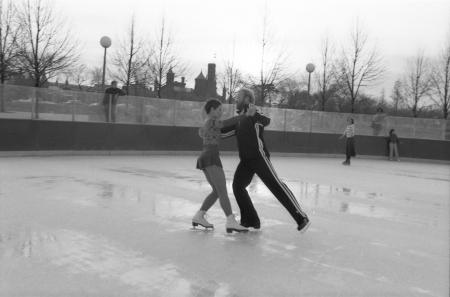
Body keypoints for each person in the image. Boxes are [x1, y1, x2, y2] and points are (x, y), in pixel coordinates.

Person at [221, 88, 310, 233]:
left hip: (259, 157)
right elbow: (224, 133)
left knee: (276, 185)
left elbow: (266, 121)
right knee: (238, 186)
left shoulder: (254, 111)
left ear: (247, 99)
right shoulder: (239, 119)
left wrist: (253, 114)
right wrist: (212, 127)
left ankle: (301, 217)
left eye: (239, 97)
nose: (236, 100)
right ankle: (250, 220)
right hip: (246, 161)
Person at [192, 99, 248, 234]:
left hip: (207, 157)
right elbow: (226, 123)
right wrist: (244, 115)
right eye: (219, 110)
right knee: (222, 191)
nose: (221, 112)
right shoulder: (212, 121)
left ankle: (199, 216)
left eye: (221, 110)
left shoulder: (208, 123)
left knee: (217, 191)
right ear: (211, 110)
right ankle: (230, 221)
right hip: (211, 157)